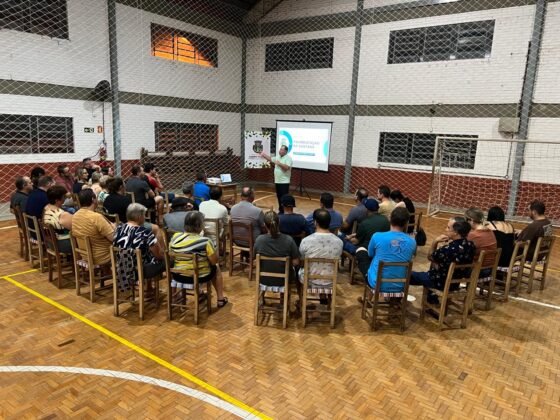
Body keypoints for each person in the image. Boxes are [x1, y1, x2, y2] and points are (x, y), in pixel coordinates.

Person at [169, 211, 228, 307]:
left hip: (178, 275)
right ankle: (220, 298)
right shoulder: (205, 241)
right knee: (216, 268)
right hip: (199, 276)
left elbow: (171, 257)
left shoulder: (175, 237)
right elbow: (214, 261)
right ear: (199, 226)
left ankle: (176, 296)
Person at [410, 217, 475, 303]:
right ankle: (431, 299)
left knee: (407, 274)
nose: (445, 229)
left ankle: (397, 297)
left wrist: (435, 241)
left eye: (448, 227)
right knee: (433, 266)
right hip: (455, 283)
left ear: (456, 232)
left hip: (439, 282)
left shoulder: (449, 249)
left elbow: (430, 256)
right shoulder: (471, 245)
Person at [355, 207, 416, 293]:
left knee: (361, 251)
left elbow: (370, 254)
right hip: (400, 286)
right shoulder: (412, 241)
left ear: (390, 219)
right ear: (406, 223)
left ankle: (369, 292)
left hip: (376, 284)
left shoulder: (377, 236)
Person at [298, 209, 343, 303]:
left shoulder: (306, 241)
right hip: (330, 281)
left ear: (315, 222)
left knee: (298, 271)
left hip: (310, 280)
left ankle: (301, 301)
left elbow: (301, 262)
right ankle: (323, 296)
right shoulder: (339, 242)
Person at [113, 203, 166, 279]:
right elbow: (158, 255)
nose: (145, 217)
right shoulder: (145, 232)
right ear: (139, 217)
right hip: (139, 270)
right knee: (169, 261)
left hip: (122, 268)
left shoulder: (118, 229)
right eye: (144, 215)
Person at [253, 211, 300, 287]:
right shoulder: (289, 240)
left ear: (264, 225)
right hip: (284, 280)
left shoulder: (259, 240)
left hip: (264, 279)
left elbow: (254, 259)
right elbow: (296, 262)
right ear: (279, 222)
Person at [72, 189, 115, 265]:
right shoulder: (96, 217)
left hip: (85, 256)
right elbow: (114, 238)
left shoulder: (75, 215)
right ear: (93, 199)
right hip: (103, 256)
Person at [260, 145, 293, 213]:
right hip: (277, 181)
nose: (280, 151)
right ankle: (281, 211)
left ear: (286, 151)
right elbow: (270, 159)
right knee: (279, 197)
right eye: (280, 149)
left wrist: (279, 163)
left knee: (284, 197)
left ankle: (285, 211)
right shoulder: (278, 157)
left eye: (282, 150)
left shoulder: (288, 158)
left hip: (284, 182)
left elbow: (286, 168)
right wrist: (263, 155)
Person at [465, 208, 497, 273]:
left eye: (466, 220)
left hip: (478, 270)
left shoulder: (473, 235)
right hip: (490, 268)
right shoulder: (490, 231)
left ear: (471, 220)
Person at [43, 185, 73, 254]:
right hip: (62, 244)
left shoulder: (46, 208)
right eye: (64, 197)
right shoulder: (61, 214)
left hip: (50, 243)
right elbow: (76, 228)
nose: (65, 198)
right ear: (57, 200)